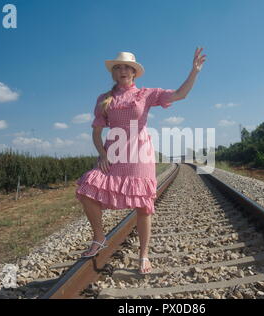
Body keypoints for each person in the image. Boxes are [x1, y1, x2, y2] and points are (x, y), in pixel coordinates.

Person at [75, 48, 206, 274]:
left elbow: (179, 94)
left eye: (127, 67)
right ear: (114, 73)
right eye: (118, 67)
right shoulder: (104, 99)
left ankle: (143, 255)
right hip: (113, 154)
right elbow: (96, 133)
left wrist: (193, 72)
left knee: (143, 207)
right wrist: (103, 154)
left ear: (134, 72)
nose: (122, 70)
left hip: (140, 154)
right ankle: (99, 237)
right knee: (87, 187)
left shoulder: (146, 94)